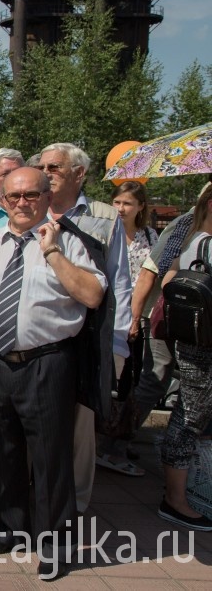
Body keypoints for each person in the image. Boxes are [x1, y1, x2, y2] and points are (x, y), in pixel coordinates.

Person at [0, 167, 106, 581]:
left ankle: (56, 545)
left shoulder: (69, 241)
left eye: (31, 195)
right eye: (13, 197)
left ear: (48, 196)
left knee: (51, 458)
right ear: (2, 199)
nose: (21, 203)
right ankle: (12, 529)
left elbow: (92, 295)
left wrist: (52, 253)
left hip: (48, 362)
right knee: (2, 452)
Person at [38, 143, 132, 508]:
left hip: (89, 338)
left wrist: (118, 345)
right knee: (41, 425)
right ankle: (39, 499)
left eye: (55, 167)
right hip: (43, 339)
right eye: (42, 165)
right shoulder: (29, 208)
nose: (46, 172)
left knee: (79, 428)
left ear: (79, 173)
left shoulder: (105, 218)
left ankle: (74, 505)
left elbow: (119, 282)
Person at [156, 185, 212, 531]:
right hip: (202, 350)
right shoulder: (205, 242)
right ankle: (176, 499)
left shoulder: (194, 240)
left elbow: (169, 281)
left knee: (189, 415)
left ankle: (183, 492)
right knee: (189, 418)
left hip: (193, 344)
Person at [95, 181, 159, 474]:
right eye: (117, 202)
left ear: (141, 207)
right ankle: (110, 440)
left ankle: (118, 438)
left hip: (139, 318)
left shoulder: (149, 236)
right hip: (113, 316)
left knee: (130, 381)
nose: (120, 208)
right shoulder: (108, 231)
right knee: (115, 382)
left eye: (128, 204)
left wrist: (135, 318)